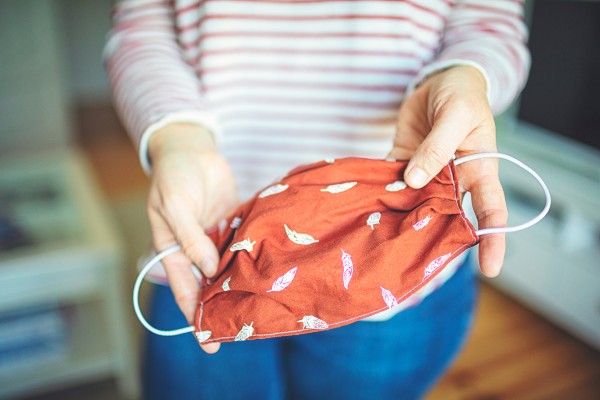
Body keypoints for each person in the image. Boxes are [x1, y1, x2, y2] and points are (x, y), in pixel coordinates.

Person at [105, 1, 529, 398]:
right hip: (205, 244)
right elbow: (142, 31)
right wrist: (176, 138)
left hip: (394, 262)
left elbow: (487, 24)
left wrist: (465, 76)